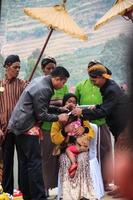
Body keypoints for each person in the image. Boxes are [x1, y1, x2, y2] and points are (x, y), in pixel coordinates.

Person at [7, 66, 70, 200]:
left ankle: (28, 196)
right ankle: (39, 197)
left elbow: (42, 106)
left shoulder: (40, 81)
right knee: (35, 164)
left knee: (25, 164)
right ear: (57, 79)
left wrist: (60, 110)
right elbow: (41, 114)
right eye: (63, 82)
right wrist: (59, 118)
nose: (63, 85)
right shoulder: (45, 89)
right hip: (26, 127)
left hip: (18, 125)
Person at [51, 93, 97, 200]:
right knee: (65, 161)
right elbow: (54, 138)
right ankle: (68, 195)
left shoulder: (81, 116)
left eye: (74, 102)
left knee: (82, 160)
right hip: (65, 149)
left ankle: (84, 194)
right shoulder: (58, 118)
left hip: (80, 148)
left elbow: (91, 133)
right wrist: (64, 130)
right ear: (64, 104)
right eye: (69, 101)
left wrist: (84, 129)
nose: (72, 104)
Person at [75, 61, 113, 190]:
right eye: (90, 68)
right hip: (86, 126)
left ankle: (106, 182)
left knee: (105, 151)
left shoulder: (105, 86)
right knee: (87, 153)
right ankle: (90, 183)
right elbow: (76, 104)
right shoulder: (80, 86)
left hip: (102, 123)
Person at [72, 62, 128, 142]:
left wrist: (82, 112)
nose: (94, 84)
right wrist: (97, 106)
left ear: (101, 77)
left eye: (94, 81)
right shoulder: (109, 84)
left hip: (124, 128)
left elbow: (103, 112)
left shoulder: (110, 90)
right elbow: (109, 105)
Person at [41, 57, 68, 195]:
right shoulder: (42, 87)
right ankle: (44, 188)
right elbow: (42, 108)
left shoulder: (63, 86)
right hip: (45, 127)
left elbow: (67, 102)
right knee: (46, 158)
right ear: (43, 70)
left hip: (60, 128)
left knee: (61, 158)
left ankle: (62, 189)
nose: (51, 71)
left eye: (53, 68)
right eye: (48, 68)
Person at [0, 55, 27, 194]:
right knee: (7, 162)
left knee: (23, 162)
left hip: (21, 129)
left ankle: (24, 192)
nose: (17, 70)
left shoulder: (23, 84)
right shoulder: (0, 85)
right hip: (5, 130)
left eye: (19, 68)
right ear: (7, 66)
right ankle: (7, 193)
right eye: (15, 67)